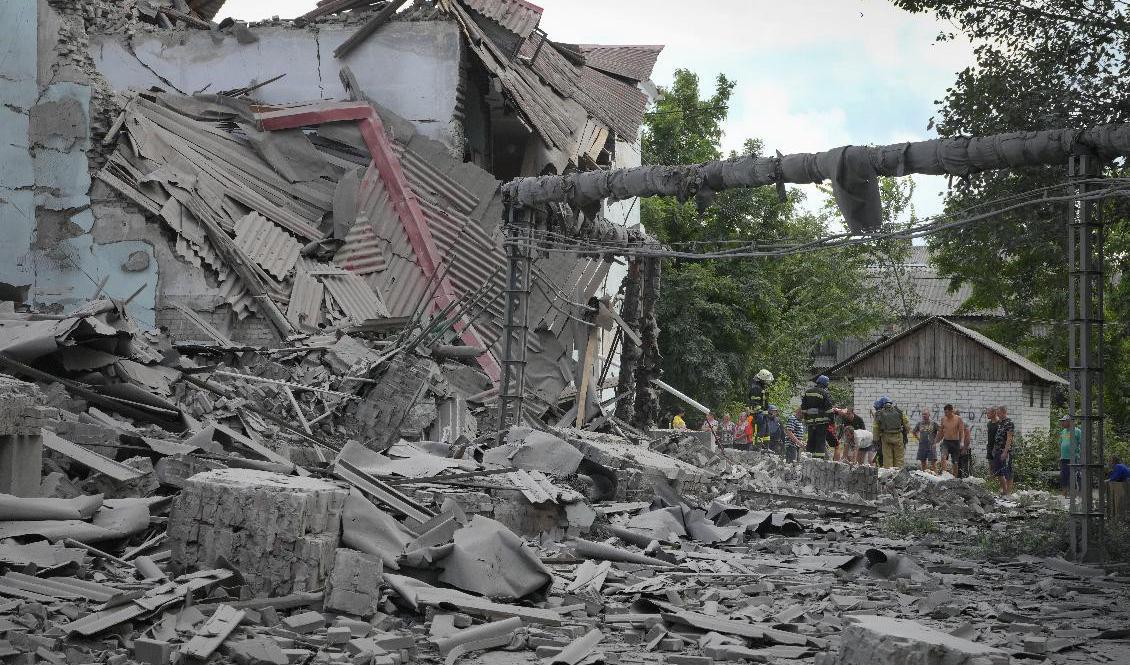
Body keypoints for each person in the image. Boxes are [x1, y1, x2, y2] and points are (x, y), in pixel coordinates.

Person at [801, 375, 834, 459]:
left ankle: (808, 458)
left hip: (811, 423)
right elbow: (829, 410)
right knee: (820, 441)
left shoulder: (808, 392)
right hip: (822, 423)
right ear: (825, 384)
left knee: (811, 441)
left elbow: (803, 409)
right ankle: (819, 460)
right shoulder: (824, 393)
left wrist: (806, 419)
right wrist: (832, 422)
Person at [872, 396, 909, 469]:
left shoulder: (879, 414)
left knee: (887, 459)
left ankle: (889, 476)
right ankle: (898, 475)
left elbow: (875, 428)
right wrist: (905, 433)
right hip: (898, 437)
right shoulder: (899, 411)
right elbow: (907, 425)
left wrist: (876, 440)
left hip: (886, 438)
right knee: (899, 459)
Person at [935, 404, 966, 477]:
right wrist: (935, 441)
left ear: (951, 411)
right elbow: (941, 432)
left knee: (955, 462)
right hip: (946, 442)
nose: (946, 414)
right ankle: (944, 475)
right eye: (945, 412)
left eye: (947, 412)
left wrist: (962, 442)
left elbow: (961, 432)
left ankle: (954, 478)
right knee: (943, 456)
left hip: (955, 442)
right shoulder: (943, 419)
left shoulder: (958, 419)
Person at [993, 405, 1015, 495]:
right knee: (999, 472)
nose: (997, 415)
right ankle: (1004, 490)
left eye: (998, 413)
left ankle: (1008, 492)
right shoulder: (1000, 423)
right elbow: (998, 436)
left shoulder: (1009, 423)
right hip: (998, 450)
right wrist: (994, 448)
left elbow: (1009, 438)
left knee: (1007, 471)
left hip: (1005, 451)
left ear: (1003, 412)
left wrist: (1005, 452)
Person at [1058, 415, 1082, 495]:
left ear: (1069, 422)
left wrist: (1079, 454)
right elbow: (1061, 443)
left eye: (1063, 421)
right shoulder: (1063, 431)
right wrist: (1060, 455)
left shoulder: (1077, 431)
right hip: (1064, 457)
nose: (1062, 423)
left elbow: (1082, 444)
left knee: (1073, 475)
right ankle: (1064, 492)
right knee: (1063, 475)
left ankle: (1075, 492)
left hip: (1073, 457)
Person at [986, 407, 1000, 476]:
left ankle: (998, 483)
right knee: (991, 467)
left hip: (997, 448)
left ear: (994, 413)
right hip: (990, 447)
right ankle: (991, 484)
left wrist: (996, 447)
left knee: (998, 467)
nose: (987, 414)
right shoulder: (989, 424)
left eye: (988, 413)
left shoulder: (999, 424)